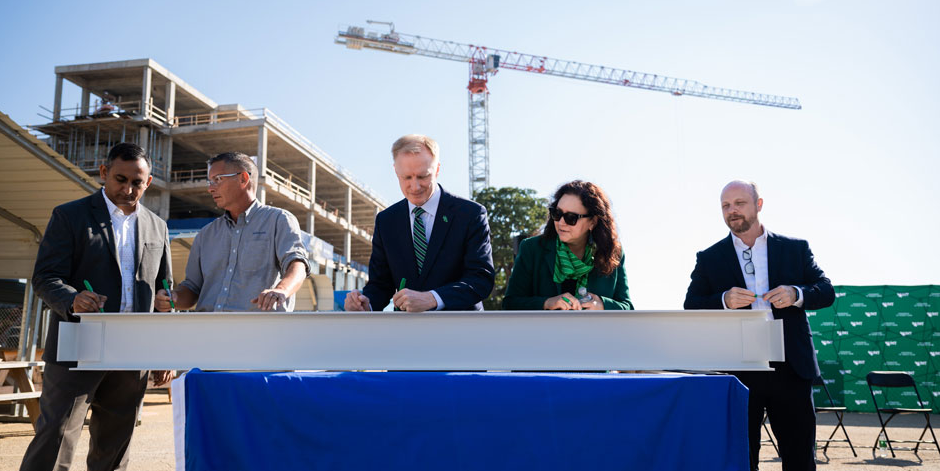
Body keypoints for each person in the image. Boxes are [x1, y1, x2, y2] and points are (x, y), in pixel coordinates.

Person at [0, 143, 173, 471]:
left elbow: (163, 289)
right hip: (78, 346)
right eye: (122, 179)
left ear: (148, 182)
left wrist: (166, 343)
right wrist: (72, 297)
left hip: (133, 351)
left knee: (113, 451)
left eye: (139, 181)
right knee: (53, 447)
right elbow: (46, 276)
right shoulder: (70, 216)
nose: (130, 188)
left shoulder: (158, 227)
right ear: (104, 173)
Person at [683, 180, 841, 471]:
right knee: (744, 465)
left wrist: (796, 293)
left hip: (791, 370)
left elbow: (827, 291)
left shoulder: (794, 248)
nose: (732, 210)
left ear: (758, 204)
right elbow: (690, 304)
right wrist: (721, 301)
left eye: (739, 203)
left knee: (800, 465)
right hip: (739, 371)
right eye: (725, 205)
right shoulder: (711, 257)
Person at [344, 135, 494, 312]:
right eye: (406, 177)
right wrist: (364, 303)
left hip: (460, 331)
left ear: (437, 169)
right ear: (395, 171)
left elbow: (481, 279)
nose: (415, 187)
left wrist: (433, 298)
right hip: (407, 333)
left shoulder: (470, 215)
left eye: (423, 176)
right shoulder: (386, 221)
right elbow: (380, 284)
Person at [155, 152, 309, 313]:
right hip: (209, 332)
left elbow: (297, 264)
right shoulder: (205, 235)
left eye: (217, 179)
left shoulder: (279, 220)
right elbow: (192, 288)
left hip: (260, 332)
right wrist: (174, 298)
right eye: (210, 181)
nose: (210, 188)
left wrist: (282, 290)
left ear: (243, 178)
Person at [502, 180, 632, 311]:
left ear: (592, 222)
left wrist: (603, 305)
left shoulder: (613, 253)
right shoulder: (531, 248)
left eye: (571, 217)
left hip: (594, 331)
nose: (561, 223)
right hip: (544, 331)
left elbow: (627, 308)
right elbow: (510, 304)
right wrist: (546, 303)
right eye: (557, 214)